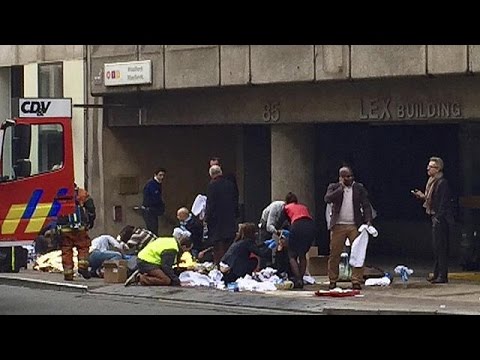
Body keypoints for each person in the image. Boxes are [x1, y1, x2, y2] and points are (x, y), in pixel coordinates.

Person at [324, 166, 373, 290]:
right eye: (347, 176)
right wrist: (340, 188)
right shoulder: (334, 187)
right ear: (341, 177)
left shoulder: (359, 188)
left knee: (358, 252)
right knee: (335, 253)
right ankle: (333, 279)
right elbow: (327, 198)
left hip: (354, 225)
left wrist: (368, 221)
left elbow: (366, 205)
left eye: (351, 176)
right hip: (338, 225)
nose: (350, 178)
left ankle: (356, 280)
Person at [412, 156, 454, 284]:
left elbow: (443, 202)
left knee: (441, 247)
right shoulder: (432, 182)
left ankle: (442, 275)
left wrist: (438, 217)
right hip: (435, 216)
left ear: (438, 168)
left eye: (431, 167)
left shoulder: (442, 182)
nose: (428, 169)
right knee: (436, 247)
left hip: (441, 218)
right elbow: (431, 199)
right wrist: (422, 197)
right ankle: (436, 273)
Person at [124, 229, 192, 287]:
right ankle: (141, 278)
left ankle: (146, 274)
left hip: (146, 258)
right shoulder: (172, 249)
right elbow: (166, 267)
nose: (187, 252)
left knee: (166, 276)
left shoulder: (171, 241)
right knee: (166, 280)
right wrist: (177, 281)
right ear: (184, 247)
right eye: (188, 250)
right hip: (147, 262)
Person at [56, 184, 93, 281]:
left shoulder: (56, 193)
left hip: (64, 228)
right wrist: (90, 220)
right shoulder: (80, 192)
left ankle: (68, 274)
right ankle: (82, 267)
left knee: (66, 250)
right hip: (79, 227)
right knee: (83, 246)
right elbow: (90, 207)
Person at [205, 165, 238, 265]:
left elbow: (210, 203)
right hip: (230, 218)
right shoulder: (230, 184)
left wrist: (207, 217)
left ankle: (219, 264)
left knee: (218, 245)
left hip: (217, 220)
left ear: (211, 175)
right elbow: (235, 200)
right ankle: (229, 263)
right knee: (229, 243)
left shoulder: (212, 185)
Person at [283, 192, 316, 289]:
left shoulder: (286, 208)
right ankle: (301, 278)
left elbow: (284, 222)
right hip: (310, 226)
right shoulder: (303, 207)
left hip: (297, 225)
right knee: (302, 254)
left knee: (292, 254)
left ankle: (298, 279)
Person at [142, 168, 166, 235]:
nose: (162, 177)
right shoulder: (151, 184)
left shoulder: (157, 184)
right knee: (152, 229)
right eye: (160, 175)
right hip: (150, 210)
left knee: (154, 228)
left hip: (153, 210)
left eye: (163, 175)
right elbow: (154, 198)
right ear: (155, 175)